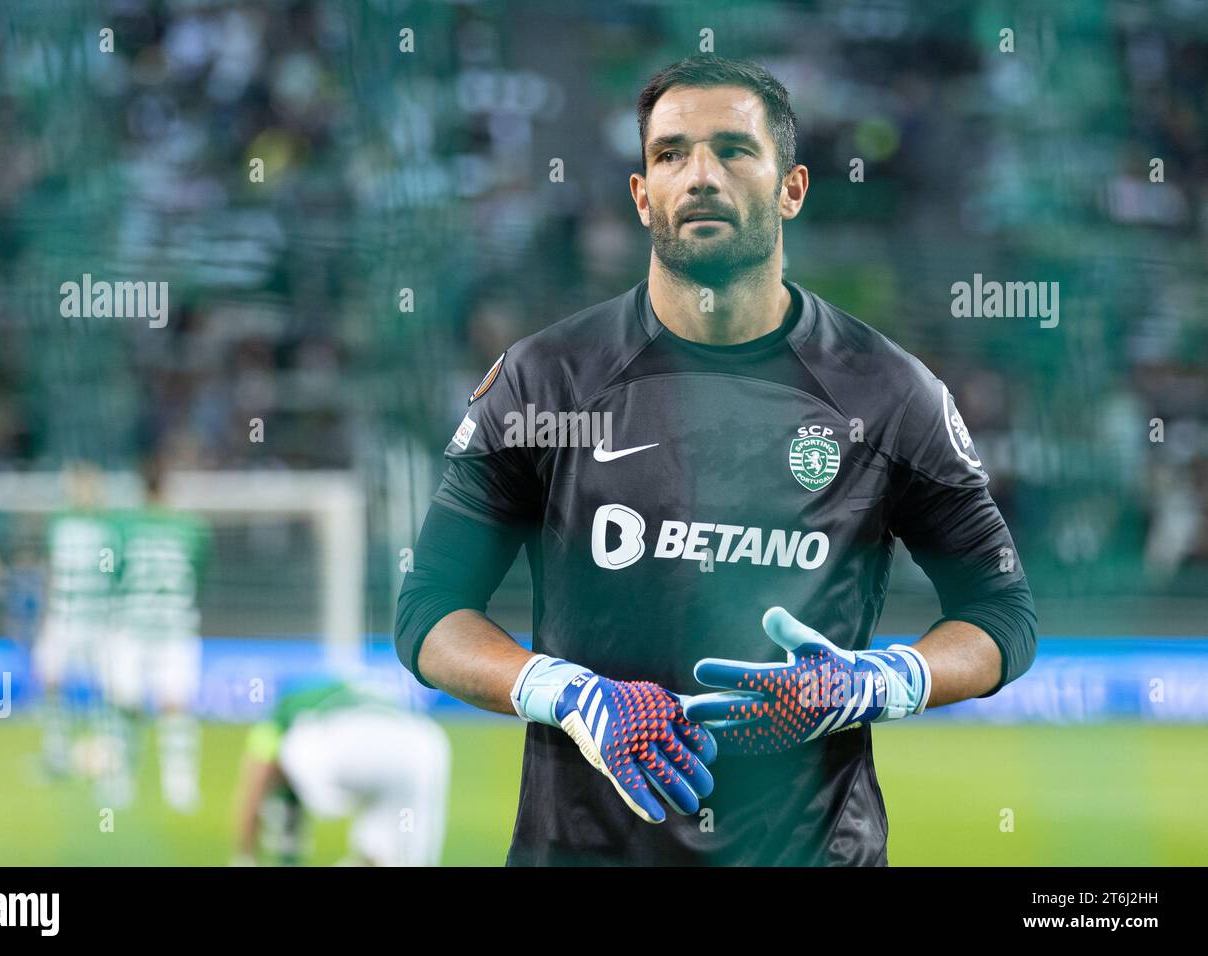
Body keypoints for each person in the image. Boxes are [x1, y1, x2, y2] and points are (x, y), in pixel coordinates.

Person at [395, 54, 1037, 865]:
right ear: (641, 196)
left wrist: (877, 683)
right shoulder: (545, 379)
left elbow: (1001, 614)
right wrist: (569, 697)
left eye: (733, 150)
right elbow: (429, 613)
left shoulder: (889, 393)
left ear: (792, 188)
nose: (700, 175)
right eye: (670, 154)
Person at [233, 679, 450, 867]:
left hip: (344, 743)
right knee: (388, 857)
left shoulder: (282, 713)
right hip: (423, 744)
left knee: (284, 763)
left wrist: (245, 856)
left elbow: (256, 786)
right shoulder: (351, 692)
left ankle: (292, 828)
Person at [100, 458, 210, 812]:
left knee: (124, 703)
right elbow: (201, 575)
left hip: (130, 628)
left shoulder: (121, 526)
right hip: (176, 628)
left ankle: (120, 782)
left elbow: (111, 574)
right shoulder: (192, 527)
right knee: (176, 706)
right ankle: (180, 786)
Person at [32, 462, 115, 775]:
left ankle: (107, 750)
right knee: (50, 679)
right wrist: (46, 612)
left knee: (104, 688)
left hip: (96, 619)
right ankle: (56, 751)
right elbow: (51, 571)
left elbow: (112, 572)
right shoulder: (59, 524)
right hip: (62, 617)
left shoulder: (106, 527)